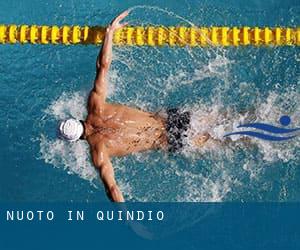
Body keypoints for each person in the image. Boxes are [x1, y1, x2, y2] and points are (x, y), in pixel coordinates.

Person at [58, 11, 210, 202]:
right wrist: (109, 33)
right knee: (226, 118)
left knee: (227, 141)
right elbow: (103, 66)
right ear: (76, 119)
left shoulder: (99, 152)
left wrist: (130, 221)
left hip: (171, 140)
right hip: (172, 118)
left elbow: (112, 189)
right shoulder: (95, 105)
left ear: (76, 140)